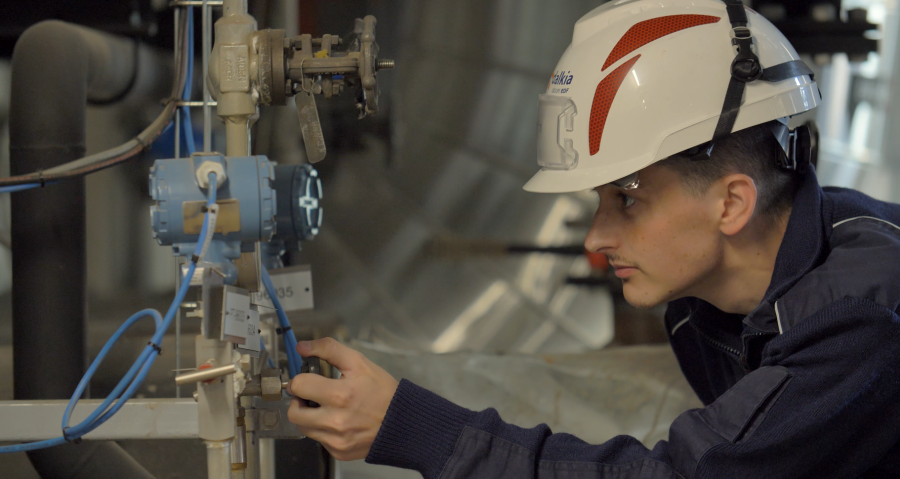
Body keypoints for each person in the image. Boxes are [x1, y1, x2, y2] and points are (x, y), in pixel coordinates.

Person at [286, 0, 900, 477]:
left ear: (732, 202)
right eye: (600, 201)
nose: (598, 239)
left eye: (628, 200)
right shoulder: (701, 304)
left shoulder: (857, 318)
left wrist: (414, 428)